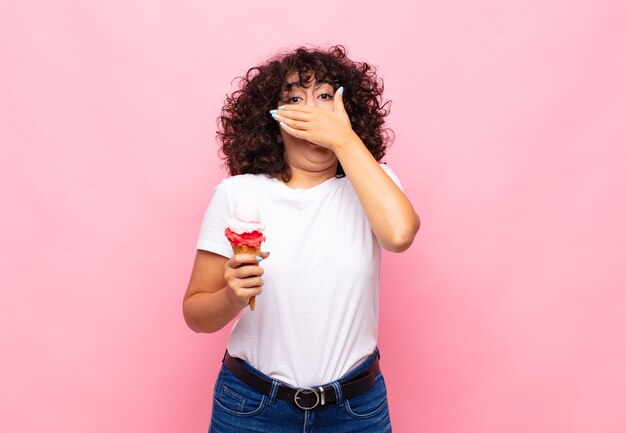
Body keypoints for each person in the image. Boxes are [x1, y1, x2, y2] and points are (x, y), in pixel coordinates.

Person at [183, 45, 419, 432]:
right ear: (273, 120)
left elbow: (399, 234)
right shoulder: (238, 193)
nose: (311, 109)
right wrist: (231, 297)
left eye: (325, 96)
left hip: (355, 410)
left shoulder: (375, 184)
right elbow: (196, 314)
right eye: (294, 98)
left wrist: (344, 141)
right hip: (252, 408)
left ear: (348, 110)